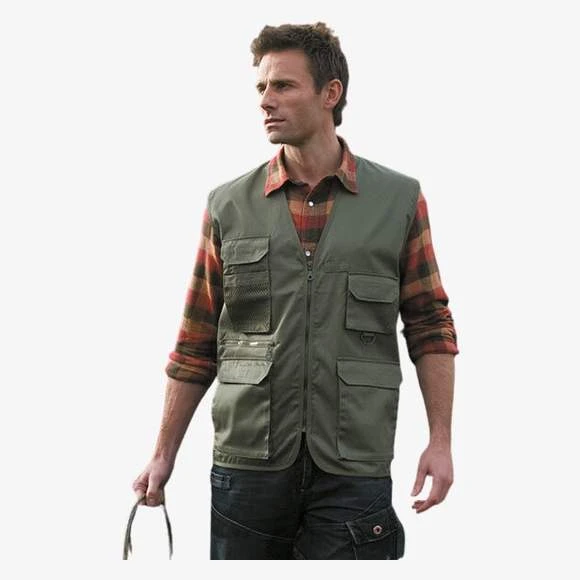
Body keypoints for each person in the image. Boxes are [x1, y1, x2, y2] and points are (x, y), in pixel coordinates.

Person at [132, 22, 459, 560]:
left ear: (330, 93)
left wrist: (440, 442)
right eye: (262, 87)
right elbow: (195, 340)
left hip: (354, 462)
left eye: (283, 86)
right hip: (248, 464)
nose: (266, 100)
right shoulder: (227, 205)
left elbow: (430, 326)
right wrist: (163, 453)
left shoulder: (398, 200)